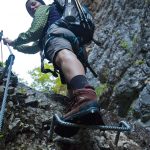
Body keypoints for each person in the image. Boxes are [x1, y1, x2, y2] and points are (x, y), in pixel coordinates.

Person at [3, 0, 103, 137]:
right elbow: (33, 48)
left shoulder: (44, 10)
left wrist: (15, 41)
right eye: (28, 8)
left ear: (40, 3)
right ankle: (78, 108)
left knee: (63, 56)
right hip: (77, 44)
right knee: (71, 79)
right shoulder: (56, 17)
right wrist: (15, 46)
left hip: (57, 36)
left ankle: (85, 98)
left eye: (33, 3)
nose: (32, 8)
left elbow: (34, 31)